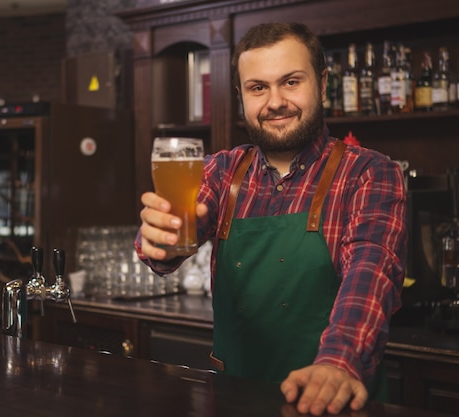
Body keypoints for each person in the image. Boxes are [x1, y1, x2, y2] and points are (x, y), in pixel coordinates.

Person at [135, 22, 406, 416]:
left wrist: (336, 362)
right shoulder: (219, 171)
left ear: (323, 83)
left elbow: (371, 273)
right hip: (233, 399)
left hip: (334, 401)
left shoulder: (368, 173)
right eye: (258, 87)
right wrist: (155, 241)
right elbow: (167, 250)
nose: (275, 101)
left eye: (291, 82)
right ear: (241, 95)